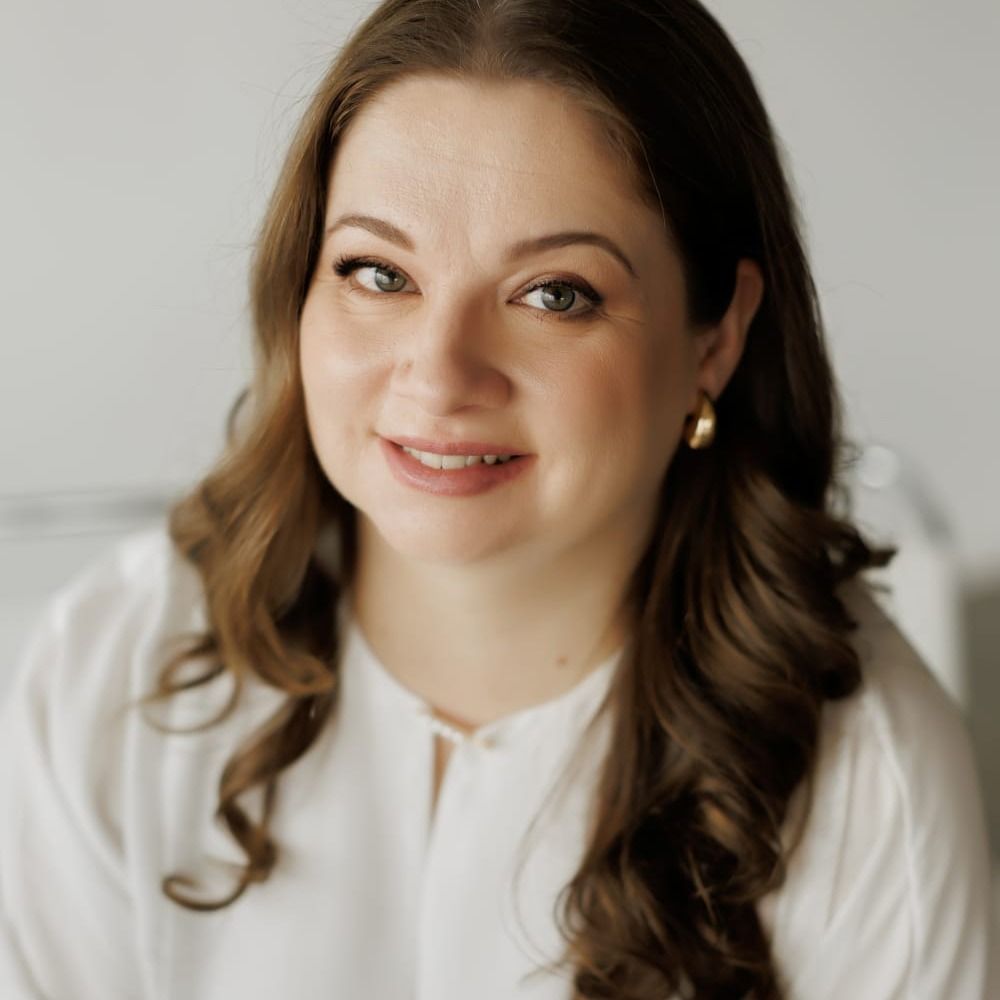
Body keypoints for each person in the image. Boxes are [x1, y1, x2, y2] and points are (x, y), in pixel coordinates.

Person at [0, 0, 993, 997]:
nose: (439, 376)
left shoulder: (870, 782)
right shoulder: (113, 665)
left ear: (716, 337)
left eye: (554, 293)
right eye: (377, 272)